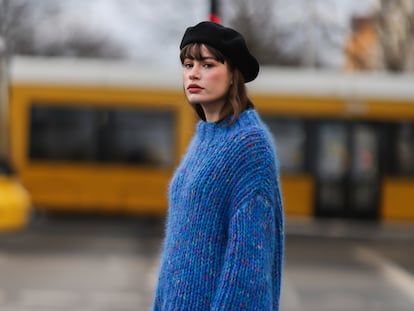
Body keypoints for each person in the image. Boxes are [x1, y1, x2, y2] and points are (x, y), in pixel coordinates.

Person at [153, 21, 284, 310]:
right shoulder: (204, 138)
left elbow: (247, 264)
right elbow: (176, 251)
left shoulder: (250, 145)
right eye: (188, 65)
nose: (193, 74)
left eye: (208, 64)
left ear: (233, 74)